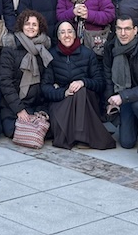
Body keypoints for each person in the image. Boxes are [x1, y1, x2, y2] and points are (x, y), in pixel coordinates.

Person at [40, 21, 114, 150]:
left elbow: (100, 82)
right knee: (71, 98)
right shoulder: (51, 55)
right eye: (62, 32)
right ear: (57, 37)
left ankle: (81, 136)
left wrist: (83, 82)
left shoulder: (87, 54)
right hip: (61, 99)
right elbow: (45, 87)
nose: (66, 35)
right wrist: (63, 92)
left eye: (70, 31)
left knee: (81, 92)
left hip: (86, 101)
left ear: (75, 35)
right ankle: (78, 135)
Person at [103, 15, 138, 152]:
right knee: (126, 142)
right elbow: (107, 76)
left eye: (127, 29)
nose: (123, 33)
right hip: (125, 98)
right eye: (120, 29)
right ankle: (132, 124)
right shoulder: (111, 46)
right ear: (115, 30)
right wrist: (110, 99)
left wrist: (122, 96)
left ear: (135, 30)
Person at [0, 9, 52, 138]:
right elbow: (5, 82)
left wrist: (43, 109)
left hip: (35, 104)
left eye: (34, 24)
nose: (31, 27)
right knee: (14, 131)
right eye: (27, 24)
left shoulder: (43, 49)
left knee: (48, 133)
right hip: (13, 104)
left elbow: (47, 80)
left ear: (39, 28)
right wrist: (19, 109)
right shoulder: (10, 48)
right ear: (21, 26)